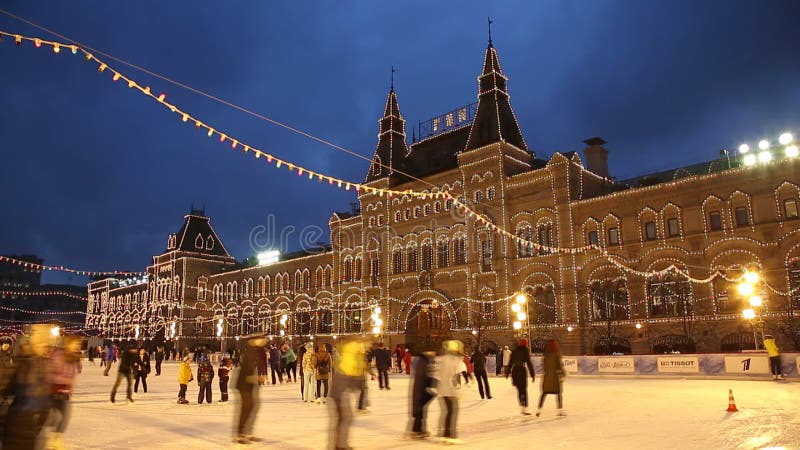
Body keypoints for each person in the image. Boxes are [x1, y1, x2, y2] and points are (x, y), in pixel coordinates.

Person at [2, 326, 52, 450]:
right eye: (41, 341)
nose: (44, 345)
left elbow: (45, 396)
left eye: (45, 342)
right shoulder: (24, 361)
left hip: (32, 426)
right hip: (18, 424)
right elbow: (7, 389)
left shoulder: (43, 364)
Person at [328, 338, 369, 450]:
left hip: (338, 392)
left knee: (343, 419)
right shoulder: (352, 357)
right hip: (340, 393)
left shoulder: (350, 355)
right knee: (346, 418)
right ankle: (340, 446)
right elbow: (352, 376)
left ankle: (338, 445)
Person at [48, 334, 82, 449]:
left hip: (65, 394)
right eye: (74, 344)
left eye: (78, 344)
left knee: (65, 418)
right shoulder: (58, 356)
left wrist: (70, 390)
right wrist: (65, 382)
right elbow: (50, 374)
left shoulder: (74, 359)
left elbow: (73, 377)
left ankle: (56, 443)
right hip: (53, 393)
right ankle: (49, 441)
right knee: (53, 419)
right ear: (68, 344)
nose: (76, 346)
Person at [234, 335, 266, 444]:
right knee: (246, 407)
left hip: (247, 384)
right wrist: (257, 378)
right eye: (262, 339)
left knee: (252, 406)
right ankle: (241, 434)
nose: (264, 341)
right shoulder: (250, 351)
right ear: (256, 340)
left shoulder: (254, 350)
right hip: (243, 385)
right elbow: (246, 371)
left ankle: (246, 432)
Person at [435, 340, 464, 444]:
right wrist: (456, 391)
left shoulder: (442, 359)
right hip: (450, 390)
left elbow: (436, 374)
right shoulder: (454, 360)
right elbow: (455, 377)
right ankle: (451, 436)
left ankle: (444, 434)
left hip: (442, 390)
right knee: (453, 412)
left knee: (447, 412)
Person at [408, 349, 436, 440]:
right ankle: (416, 431)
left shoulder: (422, 361)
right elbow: (424, 377)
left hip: (420, 390)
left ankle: (418, 430)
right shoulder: (423, 362)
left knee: (421, 413)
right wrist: (435, 382)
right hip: (419, 391)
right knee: (419, 413)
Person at [506, 339, 535, 415]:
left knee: (519, 390)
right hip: (521, 371)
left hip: (515, 372)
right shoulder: (525, 351)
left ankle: (522, 407)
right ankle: (525, 407)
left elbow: (510, 362)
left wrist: (507, 372)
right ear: (525, 344)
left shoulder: (514, 351)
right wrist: (532, 374)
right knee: (524, 390)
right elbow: (529, 362)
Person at [537, 339, 566, 417]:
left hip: (546, 377)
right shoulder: (557, 355)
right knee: (558, 393)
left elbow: (543, 366)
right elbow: (560, 366)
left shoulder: (546, 355)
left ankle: (539, 410)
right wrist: (563, 374)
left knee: (544, 393)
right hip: (555, 377)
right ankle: (560, 410)